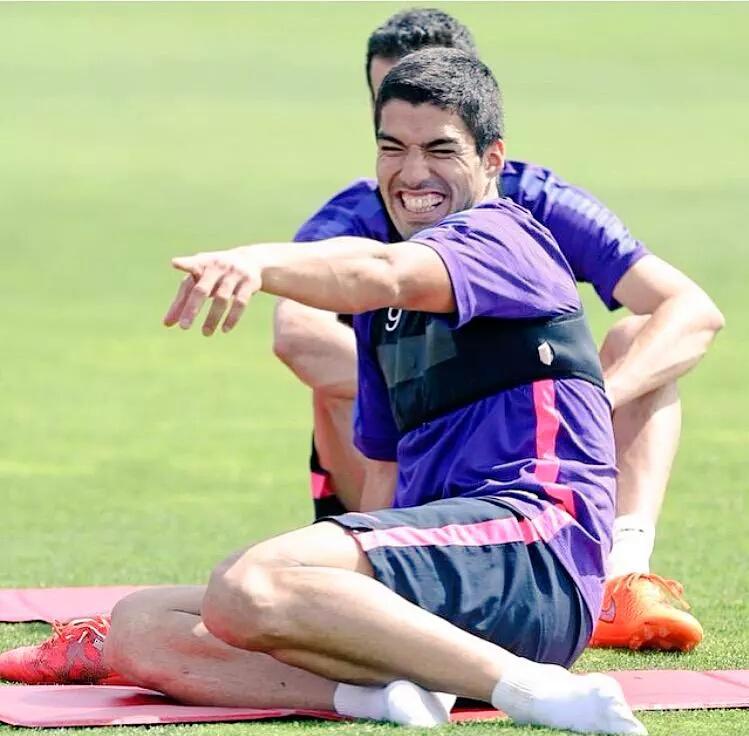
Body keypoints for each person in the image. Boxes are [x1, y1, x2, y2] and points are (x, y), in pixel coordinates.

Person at [93, 49, 646, 735]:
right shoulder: (383, 319)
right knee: (141, 626)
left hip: (536, 556)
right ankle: (388, 699)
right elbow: (386, 487)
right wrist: (329, 601)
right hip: (441, 564)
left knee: (249, 583)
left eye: (439, 150)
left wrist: (255, 262)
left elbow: (381, 269)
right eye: (392, 149)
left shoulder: (504, 237)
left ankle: (535, 690)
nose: (412, 173)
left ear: (492, 159)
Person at [273, 7, 724, 651]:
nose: (412, 145)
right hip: (397, 463)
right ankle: (381, 556)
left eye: (435, 114)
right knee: (339, 380)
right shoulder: (362, 211)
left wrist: (590, 398)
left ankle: (623, 572)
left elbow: (692, 310)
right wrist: (446, 400)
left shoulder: (534, 200)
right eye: (391, 107)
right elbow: (295, 334)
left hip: (527, 457)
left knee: (637, 339)